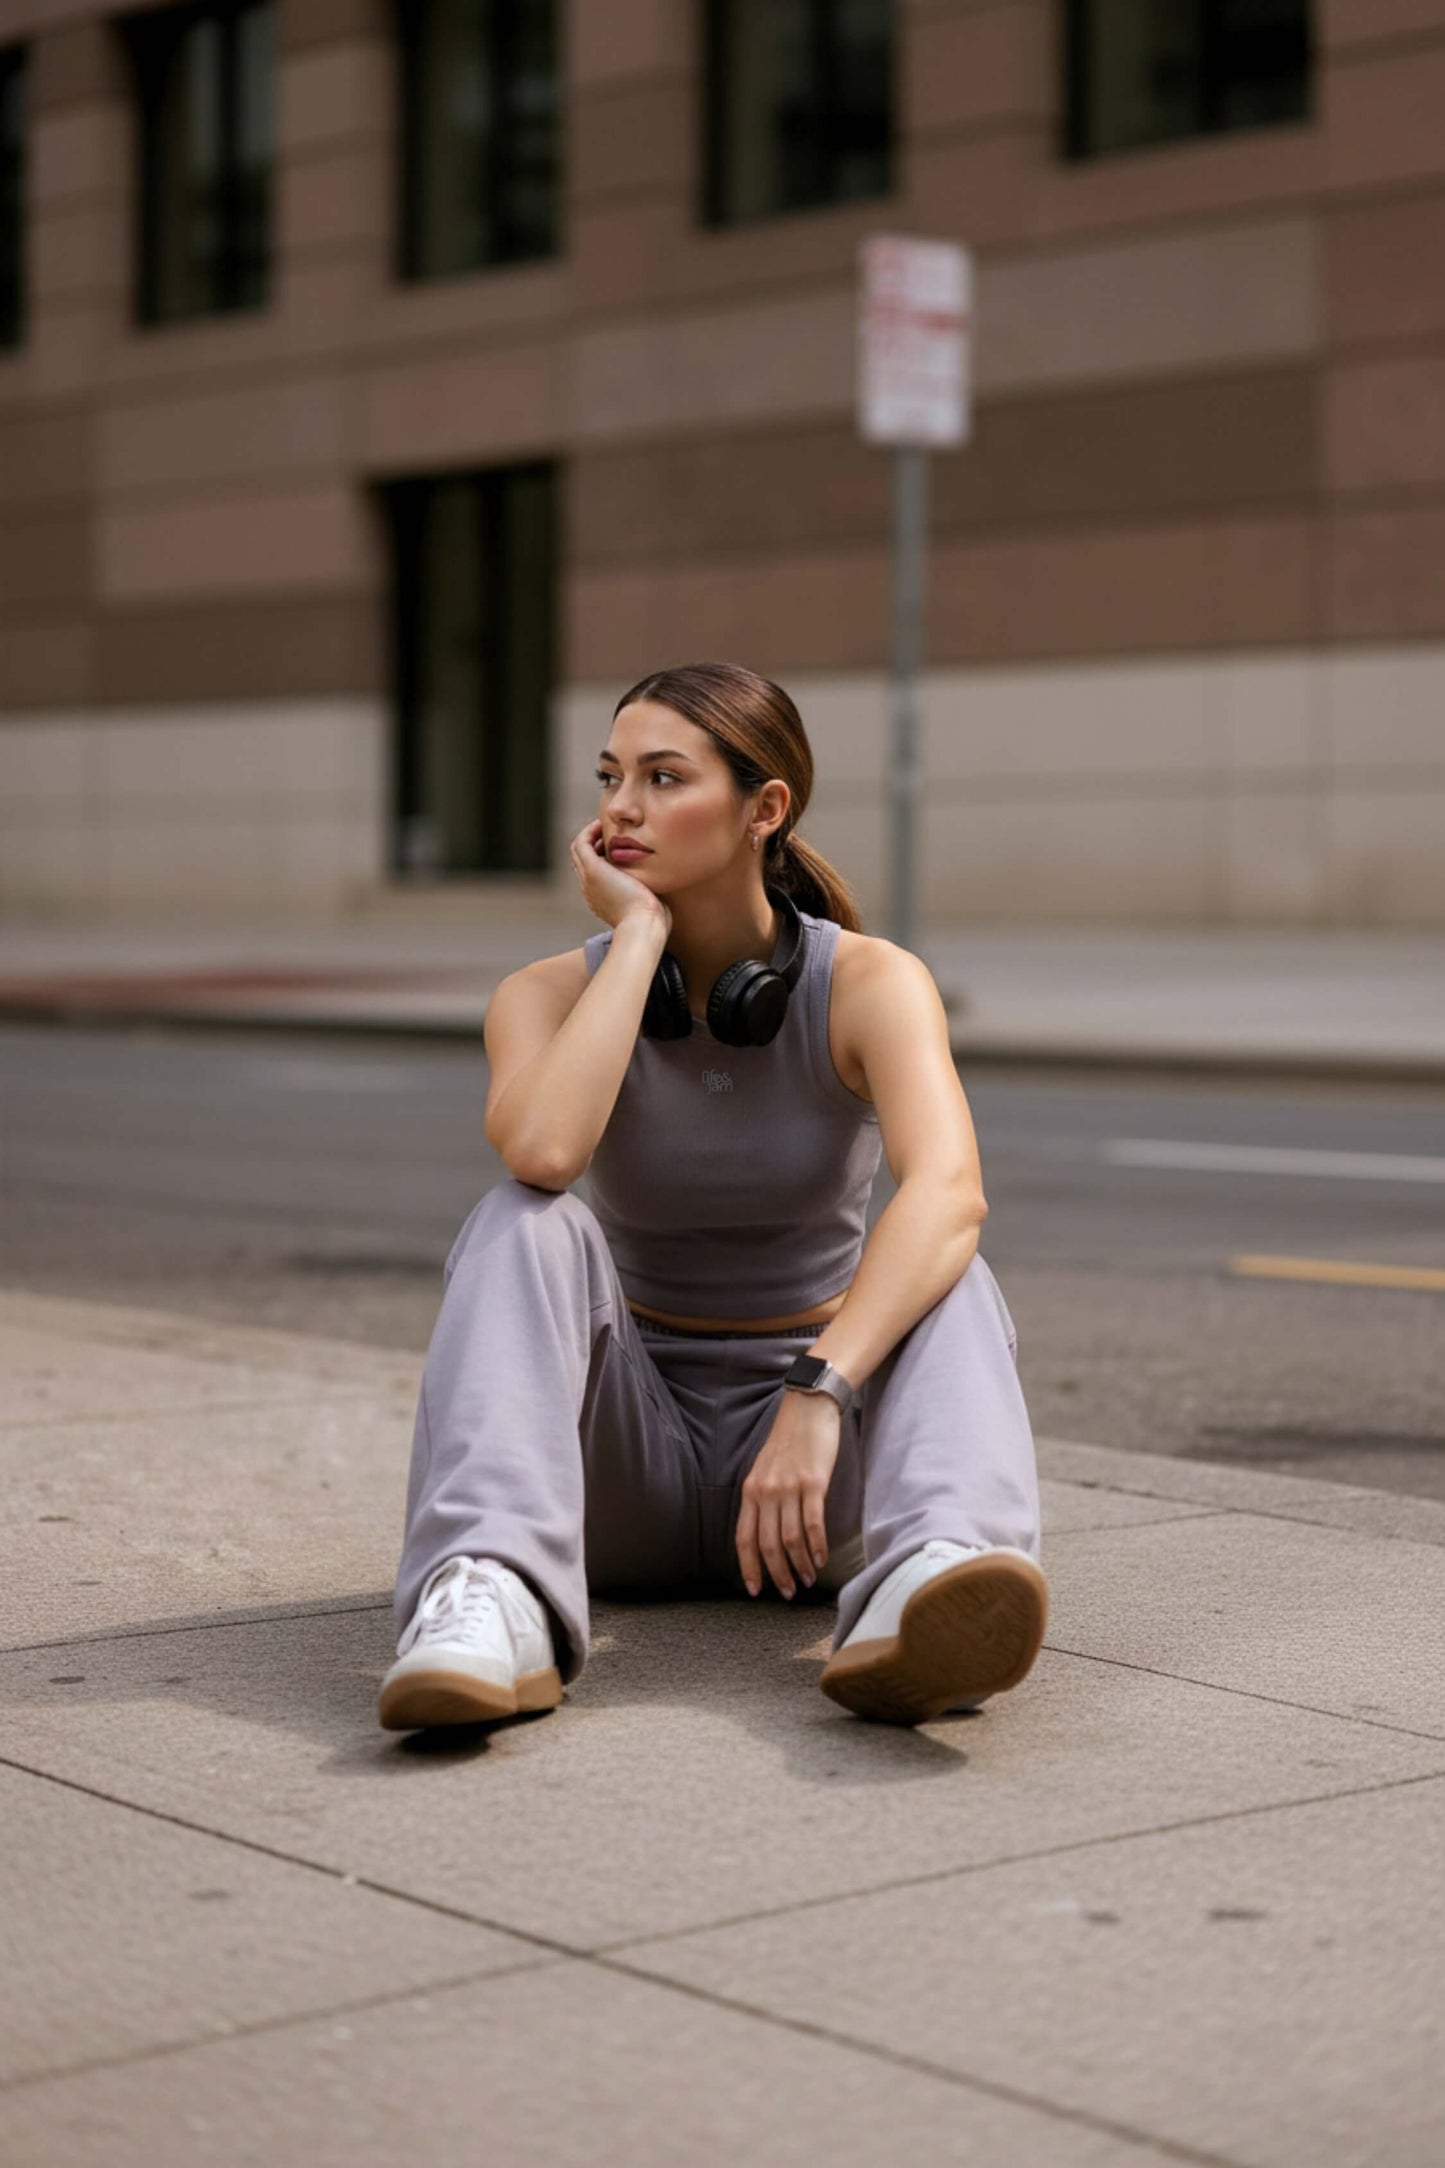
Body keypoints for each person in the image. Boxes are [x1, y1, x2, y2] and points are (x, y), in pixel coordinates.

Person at [379, 660, 1046, 1733]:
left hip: (810, 1485)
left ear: (762, 808)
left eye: (661, 776)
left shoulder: (870, 983)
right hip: (623, 1465)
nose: (620, 808)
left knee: (947, 1262)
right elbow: (545, 1149)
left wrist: (815, 1391)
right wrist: (635, 942)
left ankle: (921, 1582)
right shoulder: (544, 993)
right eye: (608, 778)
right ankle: (490, 1594)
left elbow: (951, 1190)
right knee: (520, 1218)